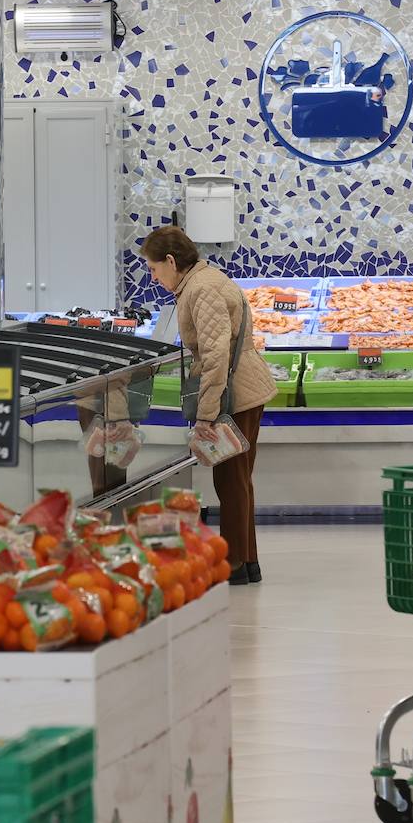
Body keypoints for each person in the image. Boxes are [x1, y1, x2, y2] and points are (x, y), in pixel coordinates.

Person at [141, 226, 276, 584]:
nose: (154, 278)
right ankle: (246, 562)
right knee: (238, 480)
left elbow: (215, 356)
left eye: (155, 269)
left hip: (234, 394)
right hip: (243, 388)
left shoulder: (201, 289)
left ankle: (232, 564)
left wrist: (206, 415)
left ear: (171, 261)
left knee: (230, 481)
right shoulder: (206, 280)